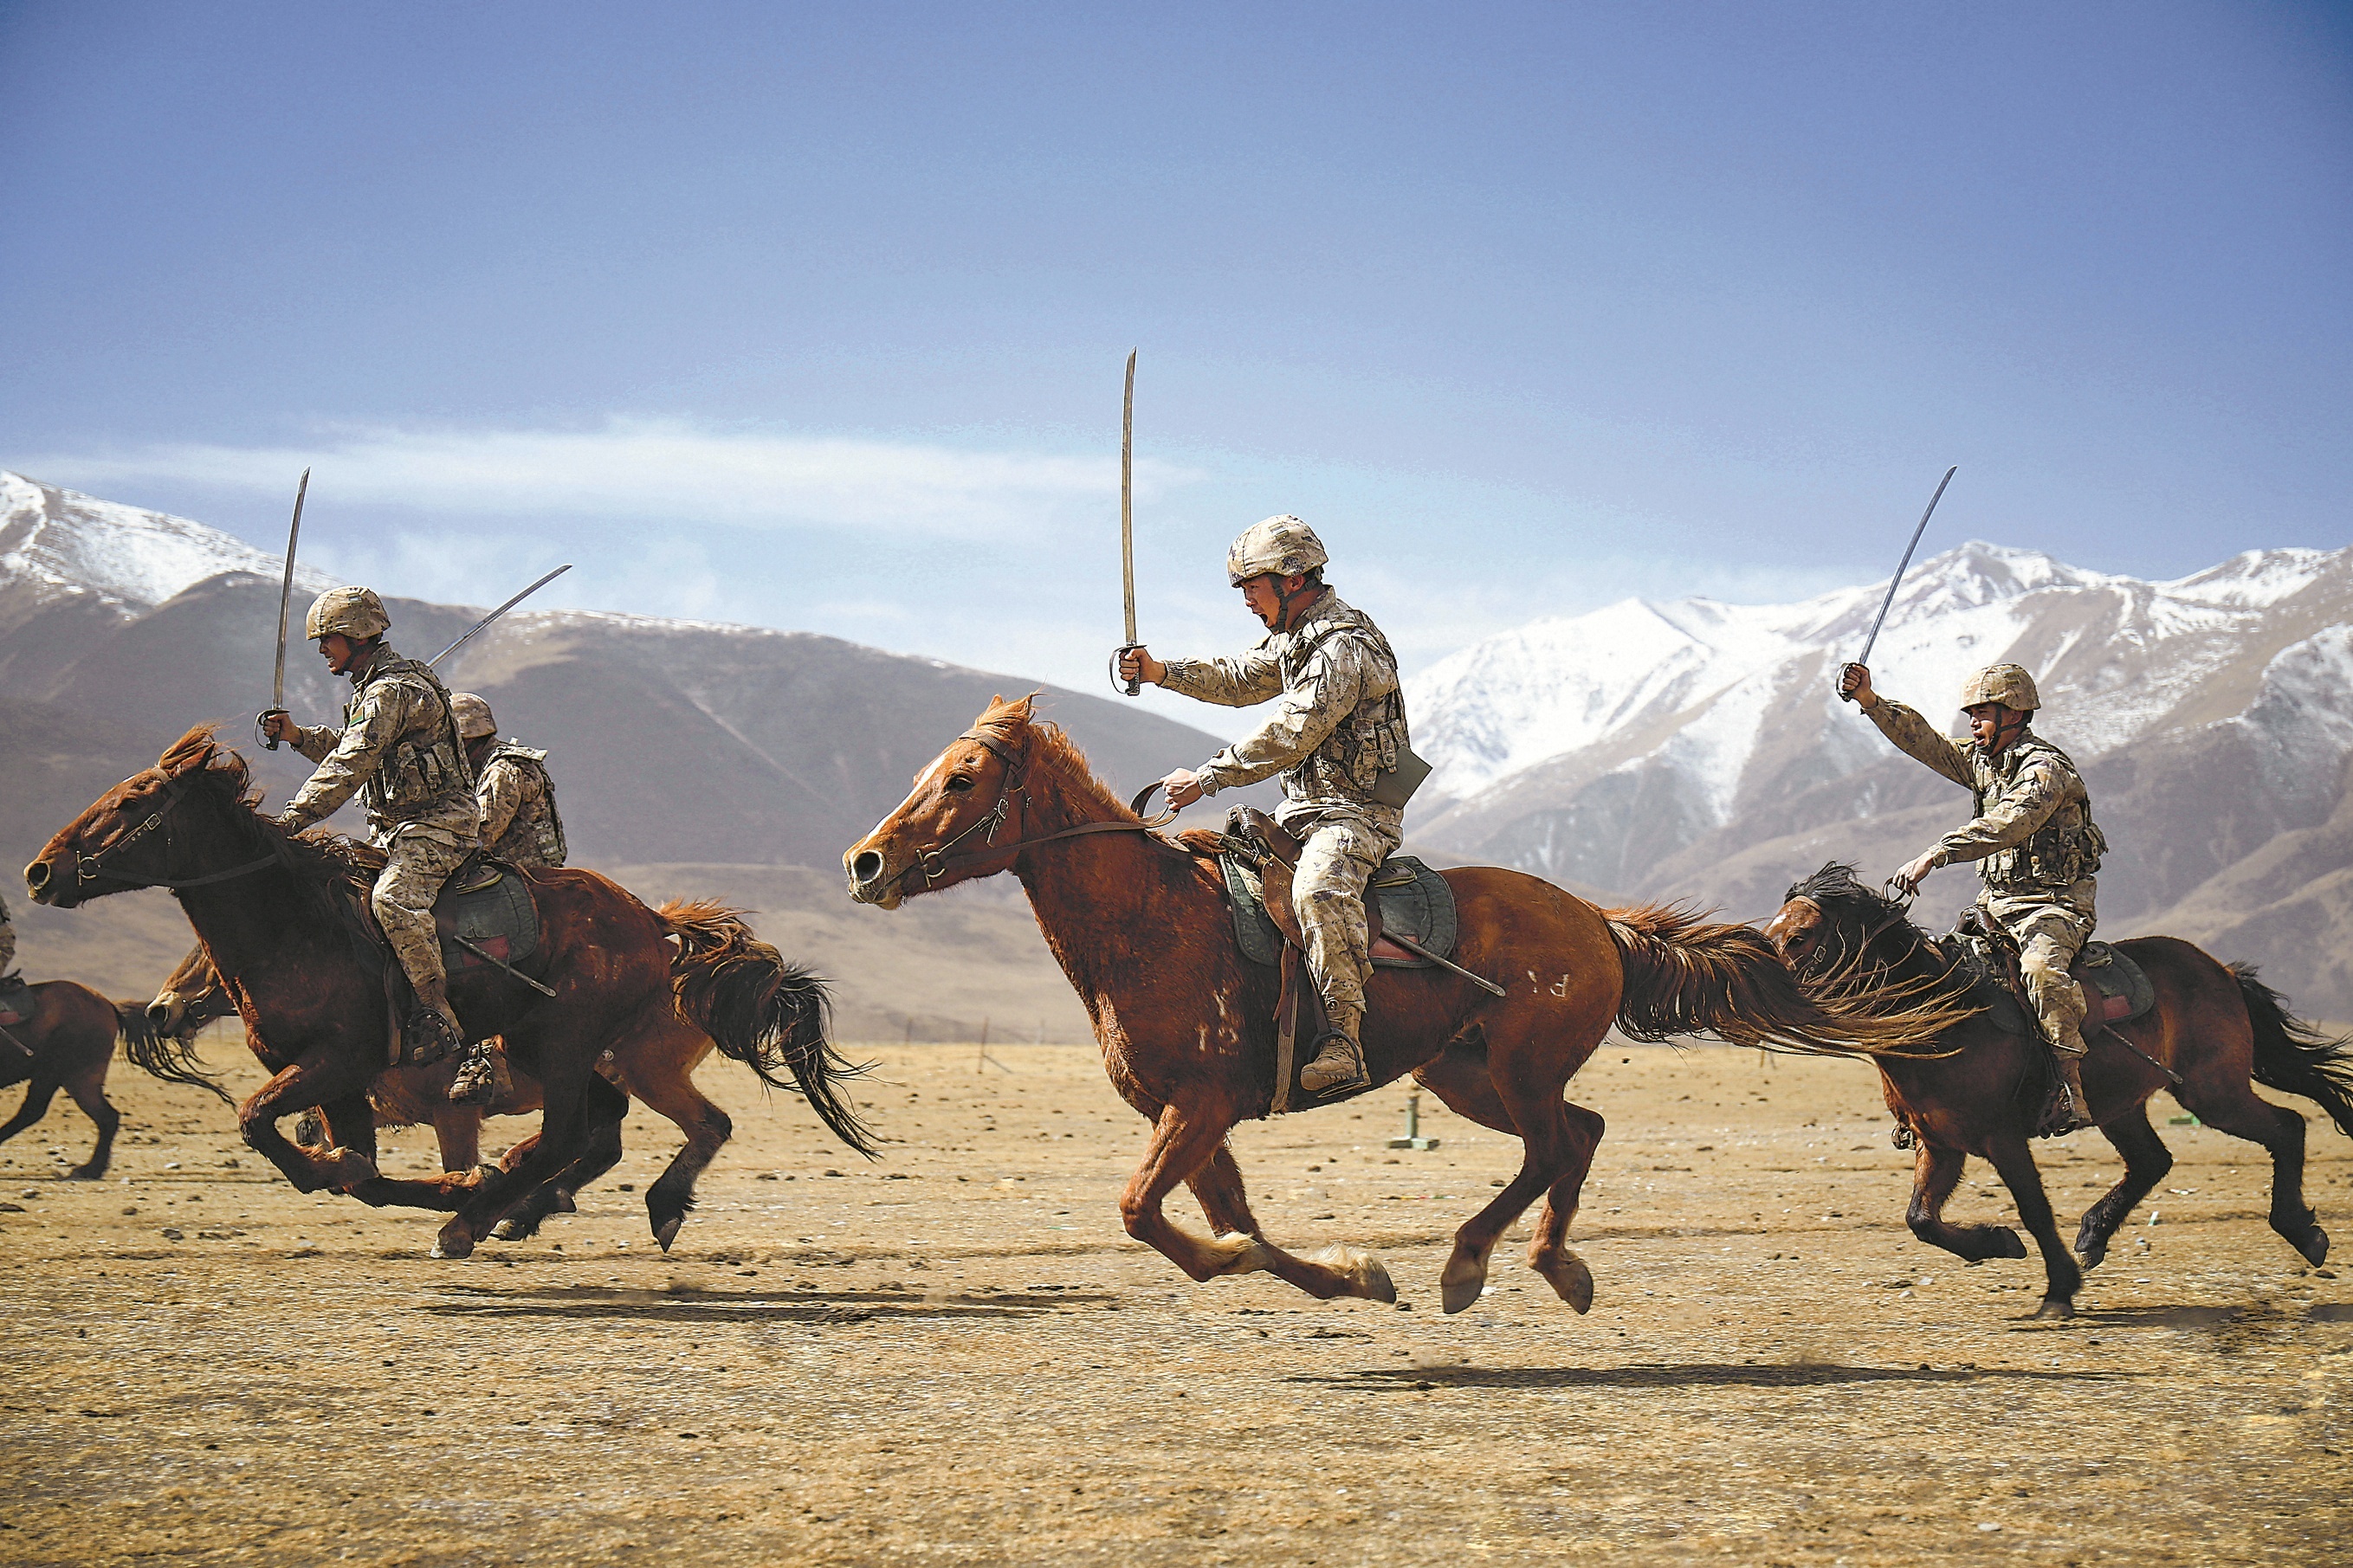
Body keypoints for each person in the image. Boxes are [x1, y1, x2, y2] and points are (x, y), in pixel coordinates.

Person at [1118, 516, 1412, 1097]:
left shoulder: (1343, 647)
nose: (1247, 600)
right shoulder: (1295, 638)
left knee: (1317, 890)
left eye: (1252, 586)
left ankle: (1343, 1040)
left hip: (1355, 815)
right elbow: (1239, 678)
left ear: (1293, 577)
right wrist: (1160, 672)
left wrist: (1206, 778)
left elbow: (1291, 731)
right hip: (1302, 810)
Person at [1839, 659, 2106, 1132]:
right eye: (1971, 715)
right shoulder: (1983, 759)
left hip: (2055, 904)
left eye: (1981, 714)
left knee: (2041, 973)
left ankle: (2070, 1090)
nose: (1973, 724)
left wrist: (1937, 853)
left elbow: (2010, 824)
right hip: (1995, 903)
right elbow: (1927, 745)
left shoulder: (2046, 771)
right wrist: (1871, 703)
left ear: (2014, 714)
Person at [259, 587, 493, 1100]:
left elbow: (350, 766)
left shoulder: (391, 691)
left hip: (437, 824)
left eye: (329, 640)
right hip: (393, 828)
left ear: (358, 636)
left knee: (394, 901)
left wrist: (290, 821)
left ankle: (437, 1015)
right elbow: (349, 747)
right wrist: (298, 735)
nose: (322, 650)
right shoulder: (375, 690)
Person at [450, 693, 568, 870]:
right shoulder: (485, 764)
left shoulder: (501, 772)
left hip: (524, 875)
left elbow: (480, 836)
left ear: (466, 739)